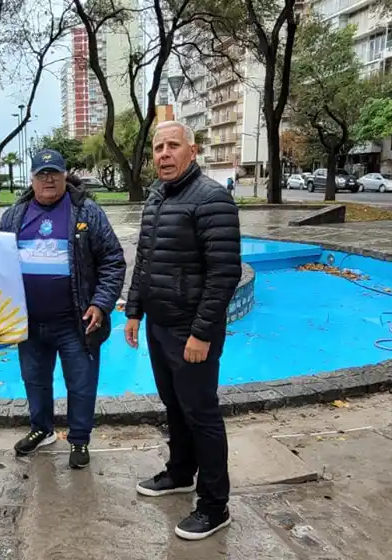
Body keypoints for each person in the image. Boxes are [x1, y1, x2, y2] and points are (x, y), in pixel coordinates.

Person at [124, 121, 242, 540]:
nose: (164, 154)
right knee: (174, 407)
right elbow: (145, 262)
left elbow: (224, 273)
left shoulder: (212, 199)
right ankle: (179, 472)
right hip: (159, 327)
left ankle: (215, 505)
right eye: (158, 148)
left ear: (192, 151)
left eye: (173, 146)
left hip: (191, 333)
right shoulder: (156, 197)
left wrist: (202, 333)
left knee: (202, 415)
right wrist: (134, 311)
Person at [0, 149, 126, 469]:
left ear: (65, 174)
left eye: (54, 172)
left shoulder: (86, 211)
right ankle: (41, 429)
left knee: (81, 384)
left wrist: (101, 303)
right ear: (32, 178)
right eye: (42, 174)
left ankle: (79, 440)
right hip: (29, 323)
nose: (49, 179)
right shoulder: (15, 215)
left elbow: (113, 261)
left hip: (76, 322)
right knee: (35, 380)